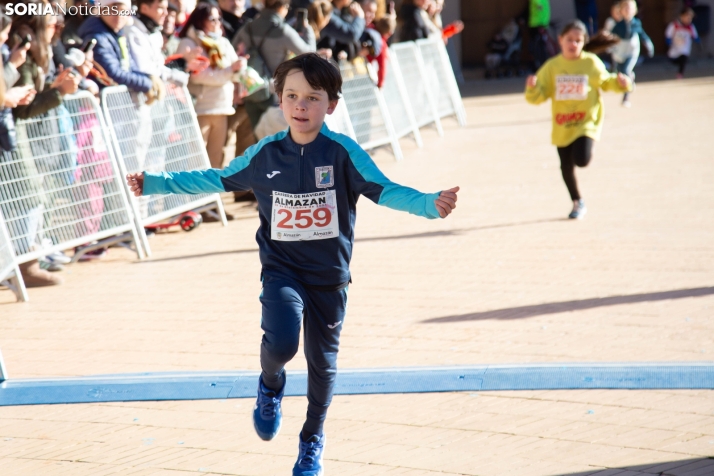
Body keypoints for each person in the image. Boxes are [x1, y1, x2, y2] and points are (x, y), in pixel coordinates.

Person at [126, 52, 459, 475]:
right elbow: (217, 179)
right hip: (282, 271)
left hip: (329, 279)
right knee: (283, 344)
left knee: (323, 366)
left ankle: (311, 440)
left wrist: (430, 204)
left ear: (331, 105)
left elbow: (384, 189)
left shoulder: (342, 152)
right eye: (292, 96)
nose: (302, 106)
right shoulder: (264, 154)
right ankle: (269, 385)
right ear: (280, 101)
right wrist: (157, 183)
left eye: (313, 98)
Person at [525, 20, 631, 220]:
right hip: (562, 125)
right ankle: (577, 201)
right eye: (569, 40)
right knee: (566, 167)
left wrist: (622, 83)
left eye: (578, 40)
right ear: (560, 40)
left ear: (584, 42)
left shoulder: (590, 63)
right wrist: (532, 87)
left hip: (585, 122)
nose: (573, 44)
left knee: (581, 159)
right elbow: (539, 95)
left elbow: (606, 82)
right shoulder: (552, 66)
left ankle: (578, 197)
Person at [178, 3, 245, 172]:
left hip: (222, 107)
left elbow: (234, 67)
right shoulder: (189, 42)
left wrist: (240, 66)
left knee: (215, 157)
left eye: (219, 18)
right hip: (200, 109)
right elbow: (199, 74)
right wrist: (230, 71)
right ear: (201, 20)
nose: (217, 22)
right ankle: (194, 196)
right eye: (212, 18)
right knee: (196, 159)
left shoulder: (222, 41)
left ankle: (212, 196)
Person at [233, 0, 316, 127]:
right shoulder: (283, 31)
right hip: (273, 93)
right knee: (275, 141)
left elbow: (231, 51)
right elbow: (310, 55)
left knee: (258, 141)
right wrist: (308, 29)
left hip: (250, 91)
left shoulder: (248, 27)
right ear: (282, 7)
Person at [610, 0, 653, 107]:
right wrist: (608, 45)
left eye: (630, 8)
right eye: (625, 8)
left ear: (635, 11)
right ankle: (630, 77)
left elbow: (642, 34)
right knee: (620, 72)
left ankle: (626, 96)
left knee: (625, 70)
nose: (628, 10)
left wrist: (648, 44)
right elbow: (611, 37)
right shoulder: (618, 25)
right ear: (621, 11)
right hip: (620, 51)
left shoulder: (636, 23)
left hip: (632, 51)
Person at [666, 7, 699, 79]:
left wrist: (697, 40)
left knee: (684, 57)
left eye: (690, 18)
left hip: (685, 49)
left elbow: (695, 36)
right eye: (687, 17)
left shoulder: (691, 27)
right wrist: (668, 41)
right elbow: (668, 34)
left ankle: (680, 74)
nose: (689, 20)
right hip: (675, 49)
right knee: (674, 60)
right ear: (681, 16)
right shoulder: (674, 25)